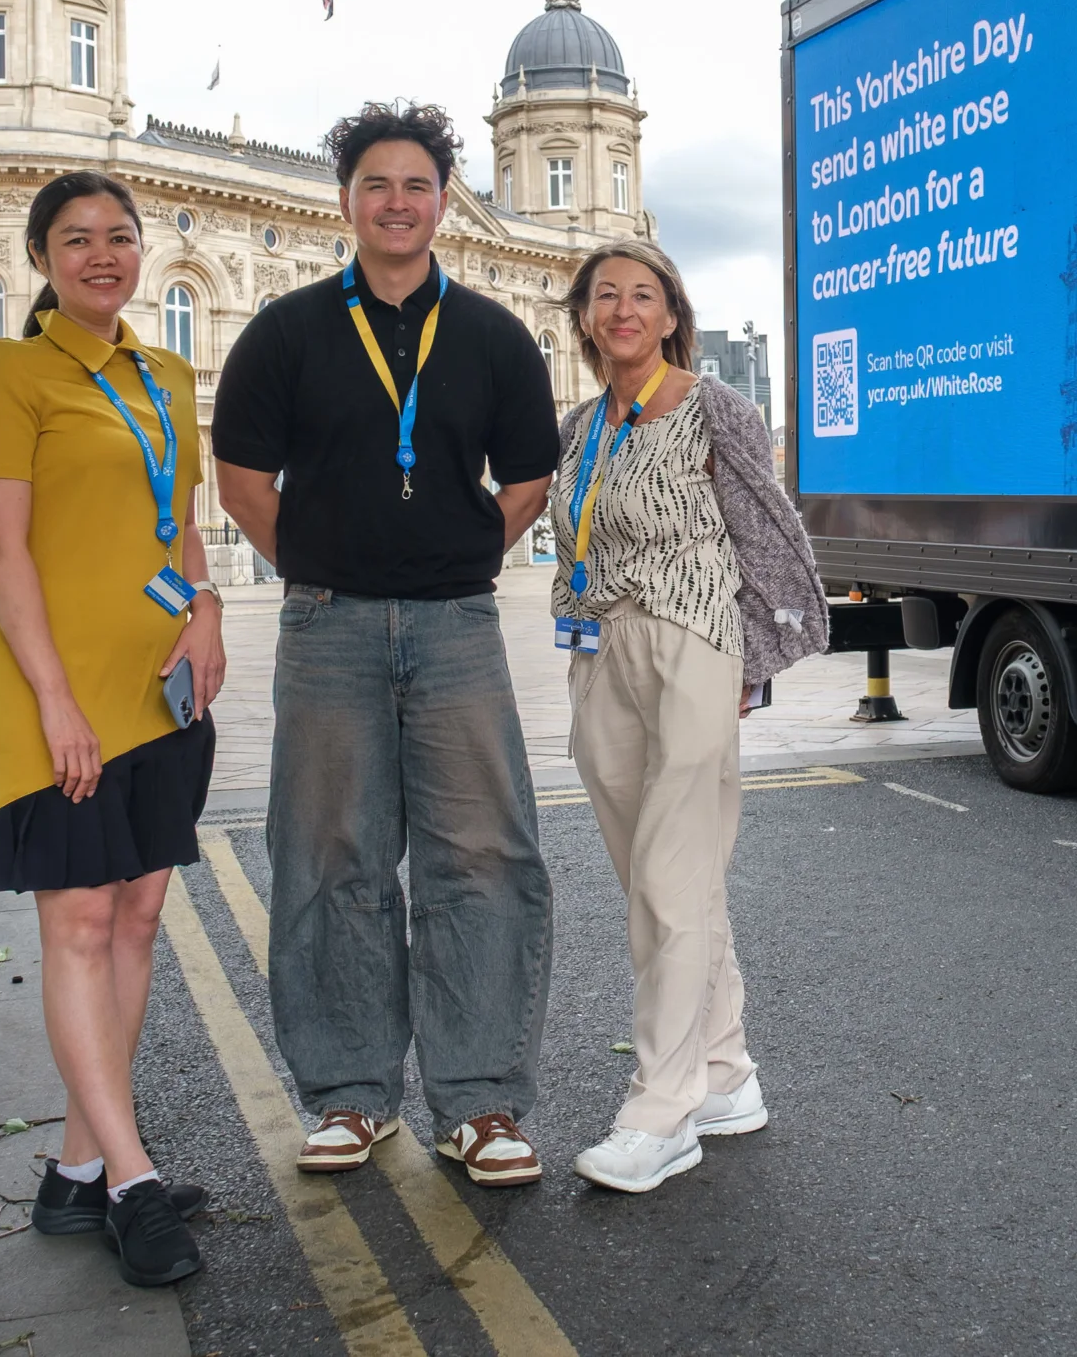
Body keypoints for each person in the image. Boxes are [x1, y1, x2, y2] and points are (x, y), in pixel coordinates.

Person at [213, 101, 562, 1188]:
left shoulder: (497, 335)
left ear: (443, 200)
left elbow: (530, 479)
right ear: (347, 200)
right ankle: (351, 1095)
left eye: (417, 185)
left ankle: (481, 1100)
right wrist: (327, 560)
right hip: (326, 625)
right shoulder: (286, 329)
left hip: (458, 626)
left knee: (482, 856)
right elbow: (239, 480)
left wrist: (454, 555)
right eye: (377, 184)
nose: (398, 203)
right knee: (329, 855)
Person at [0, 170, 226, 1289]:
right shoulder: (15, 372)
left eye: (119, 235)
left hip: (158, 686)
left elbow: (182, 520)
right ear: (42, 258)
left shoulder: (165, 373)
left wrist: (204, 616)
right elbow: (2, 549)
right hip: (52, 694)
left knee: (138, 919)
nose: (102, 255)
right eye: (76, 240)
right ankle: (131, 1181)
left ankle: (73, 1170)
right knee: (75, 929)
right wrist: (54, 697)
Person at [552, 240, 828, 1193]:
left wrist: (752, 665)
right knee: (661, 883)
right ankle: (725, 1071)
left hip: (692, 639)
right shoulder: (584, 424)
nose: (623, 309)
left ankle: (660, 1113)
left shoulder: (717, 409)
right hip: (601, 650)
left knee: (673, 877)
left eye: (643, 296)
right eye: (605, 296)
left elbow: (771, 536)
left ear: (673, 316)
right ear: (584, 316)